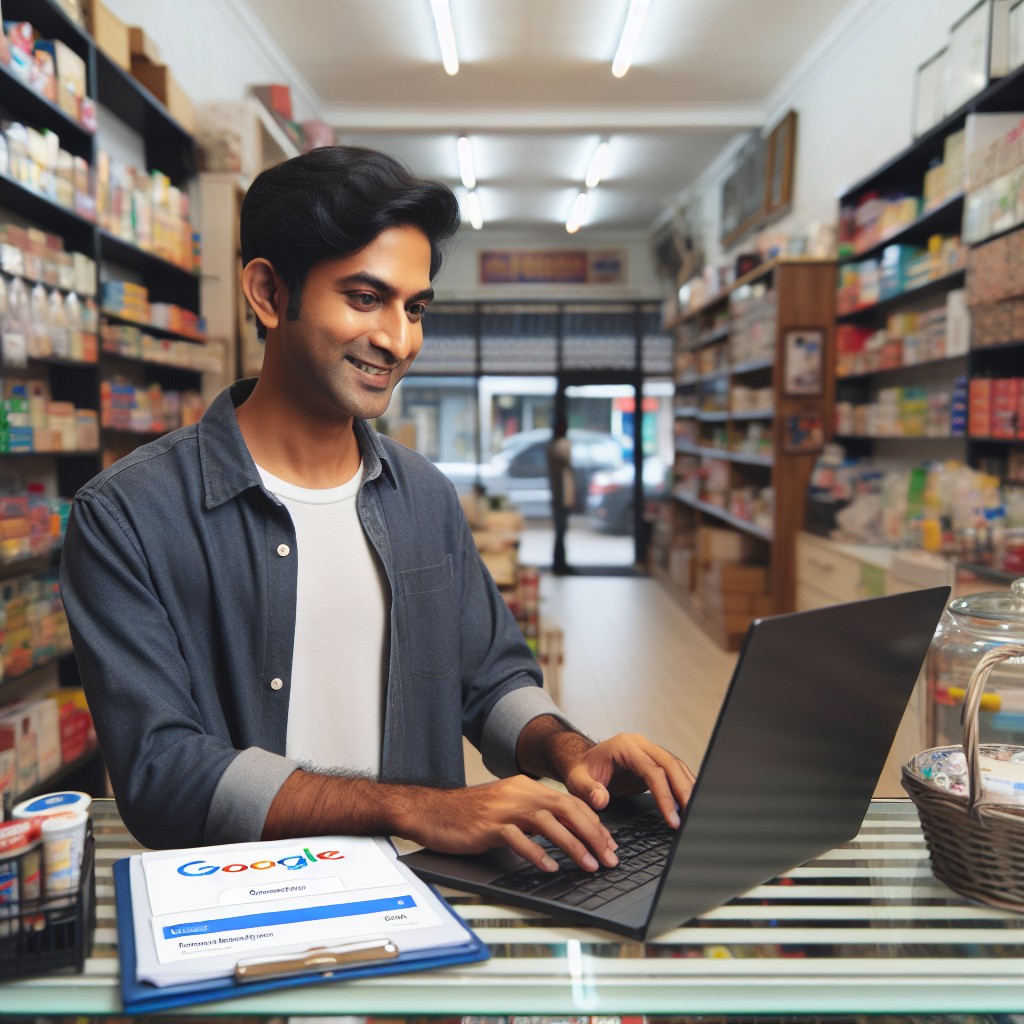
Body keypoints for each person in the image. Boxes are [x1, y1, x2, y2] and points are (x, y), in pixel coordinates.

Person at [59, 146, 693, 877]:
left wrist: (573, 752)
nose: (398, 340)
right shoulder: (129, 515)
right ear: (268, 293)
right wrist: (413, 806)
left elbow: (489, 681)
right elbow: (161, 773)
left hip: (430, 908)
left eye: (414, 307)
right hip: (246, 920)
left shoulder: (422, 494)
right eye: (365, 298)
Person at [546, 416, 573, 574]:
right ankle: (559, 564)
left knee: (561, 532)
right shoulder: (560, 447)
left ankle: (560, 563)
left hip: (561, 497)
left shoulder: (554, 448)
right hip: (560, 497)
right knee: (560, 532)